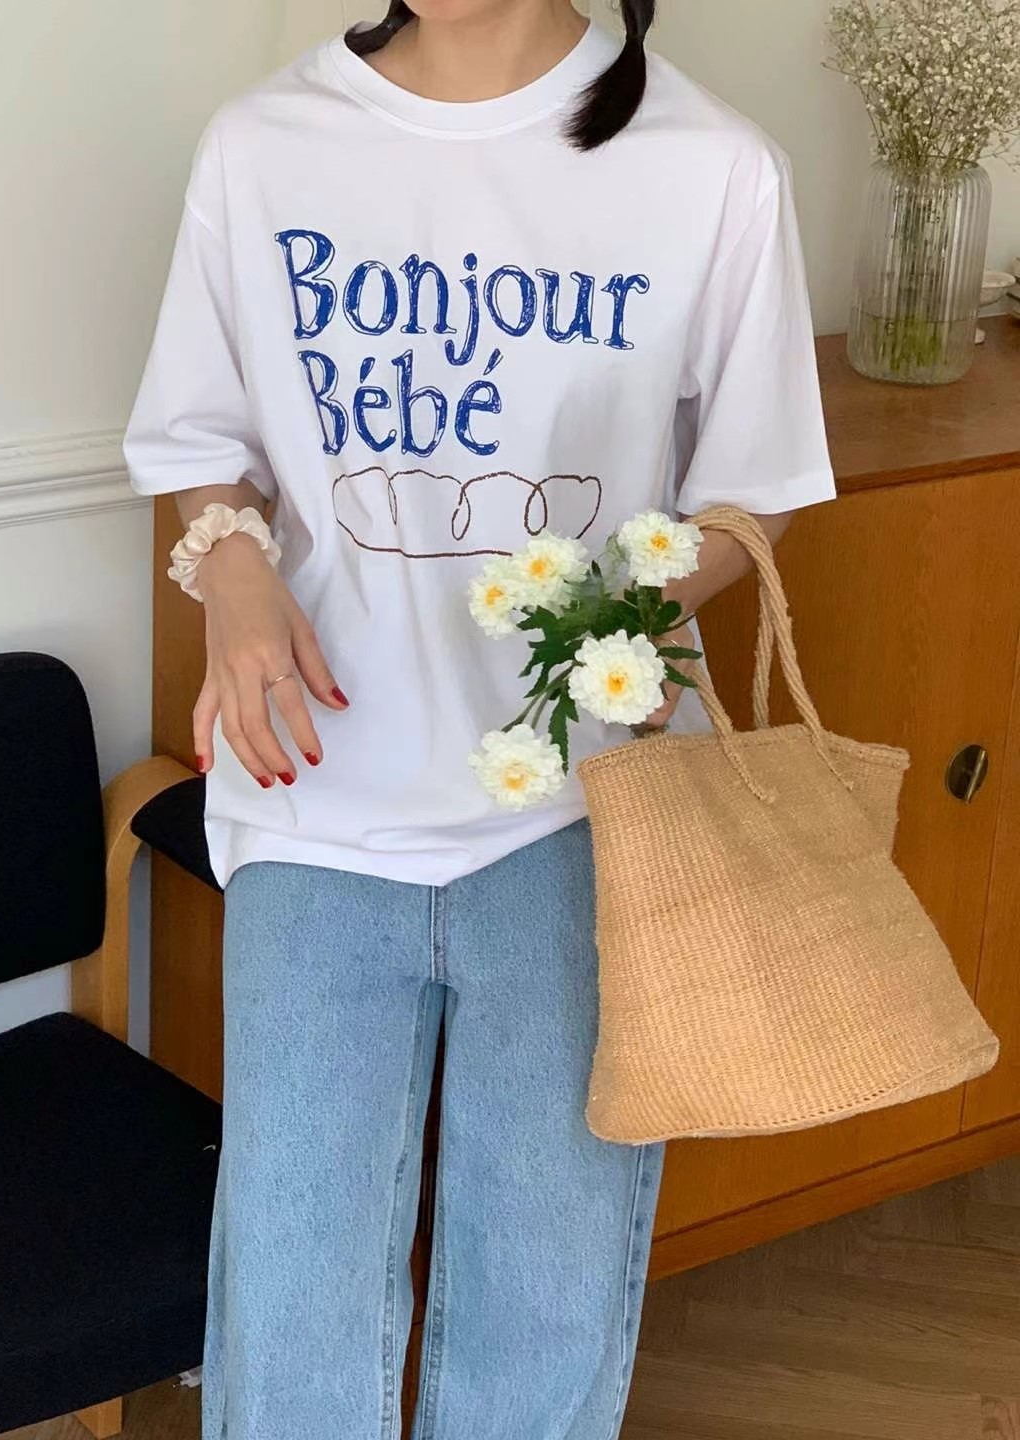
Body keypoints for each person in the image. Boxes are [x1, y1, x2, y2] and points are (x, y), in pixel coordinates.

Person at [124, 1, 835, 1435]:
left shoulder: (710, 164)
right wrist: (235, 572)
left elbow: (753, 494)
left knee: (545, 1308)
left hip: (583, 820)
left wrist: (618, 619)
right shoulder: (265, 144)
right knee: (290, 1311)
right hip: (315, 802)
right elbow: (201, 438)